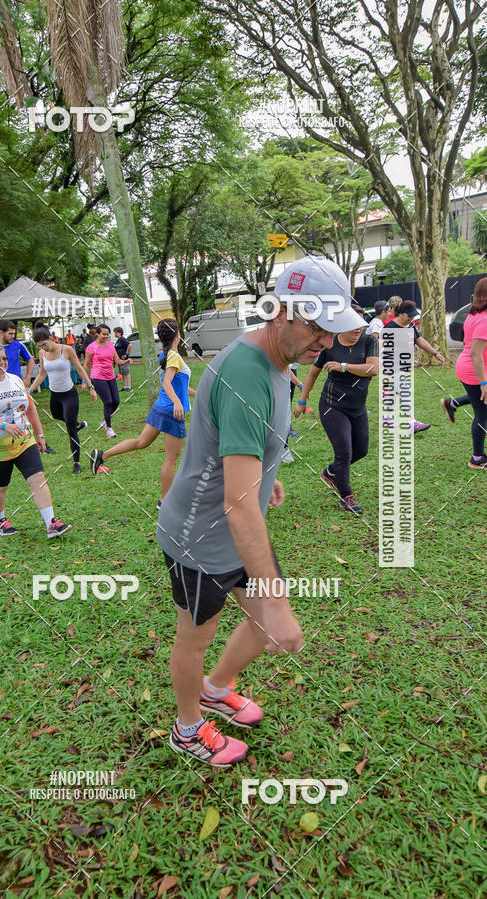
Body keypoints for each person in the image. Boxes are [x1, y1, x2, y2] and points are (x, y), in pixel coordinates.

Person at [157, 255, 366, 767]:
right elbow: (233, 500)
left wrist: (263, 480)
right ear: (283, 312)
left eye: (332, 330)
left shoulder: (277, 360)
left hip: (234, 526)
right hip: (199, 535)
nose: (326, 341)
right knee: (197, 635)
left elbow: (242, 450)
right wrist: (275, 599)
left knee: (267, 625)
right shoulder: (248, 375)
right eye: (318, 327)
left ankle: (216, 689)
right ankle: (186, 730)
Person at [0, 343, 71, 537]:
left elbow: (30, 408)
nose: (2, 363)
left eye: (4, 358)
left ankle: (51, 523)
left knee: (38, 479)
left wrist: (40, 434)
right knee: (1, 487)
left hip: (25, 440)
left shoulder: (15, 380)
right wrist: (3, 426)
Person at [90, 319, 196, 501]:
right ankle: (164, 502)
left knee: (141, 442)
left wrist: (198, 395)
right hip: (171, 412)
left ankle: (102, 454)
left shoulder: (166, 355)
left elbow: (180, 384)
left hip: (161, 408)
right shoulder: (174, 357)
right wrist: (178, 403)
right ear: (177, 334)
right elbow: (167, 383)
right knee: (171, 459)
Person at [295, 305, 379, 514]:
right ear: (341, 325)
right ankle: (346, 497)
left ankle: (331, 472)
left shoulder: (369, 342)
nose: (358, 328)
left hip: (357, 406)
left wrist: (343, 366)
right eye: (353, 324)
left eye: (361, 323)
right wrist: (302, 401)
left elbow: (374, 369)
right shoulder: (330, 344)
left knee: (361, 450)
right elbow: (312, 374)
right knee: (344, 452)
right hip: (332, 405)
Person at [29, 322, 97, 474]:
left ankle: (77, 463)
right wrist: (29, 390)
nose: (43, 348)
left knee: (70, 429)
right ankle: (78, 424)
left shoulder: (66, 350)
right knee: (57, 415)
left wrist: (91, 386)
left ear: (50, 338)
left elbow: (79, 368)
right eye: (40, 346)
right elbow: (42, 374)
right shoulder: (42, 354)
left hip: (69, 394)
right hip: (55, 395)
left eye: (44, 344)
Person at [383, 299, 445, 432]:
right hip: (393, 366)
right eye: (409, 316)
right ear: (402, 313)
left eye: (413, 316)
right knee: (405, 392)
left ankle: (387, 420)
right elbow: (380, 347)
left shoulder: (410, 326)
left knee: (393, 393)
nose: (411, 318)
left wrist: (436, 353)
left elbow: (420, 340)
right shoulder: (389, 328)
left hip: (403, 365)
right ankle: (411, 423)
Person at [454, 277, 487, 468]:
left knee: (481, 410)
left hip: (471, 367)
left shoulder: (474, 314)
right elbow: (476, 353)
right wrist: (484, 384)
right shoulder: (483, 319)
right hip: (474, 370)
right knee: (482, 415)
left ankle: (453, 402)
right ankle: (477, 458)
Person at [84, 325, 125, 438]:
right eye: (104, 334)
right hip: (98, 377)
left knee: (116, 401)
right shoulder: (91, 347)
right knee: (108, 402)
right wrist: (84, 382)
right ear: (97, 334)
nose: (106, 336)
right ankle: (109, 429)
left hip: (110, 376)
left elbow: (116, 360)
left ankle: (104, 421)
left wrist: (126, 360)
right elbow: (86, 365)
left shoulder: (111, 346)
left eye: (107, 334)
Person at [0, 320, 34, 387]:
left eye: (14, 333)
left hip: (16, 385)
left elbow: (30, 360)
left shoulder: (18, 345)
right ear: (1, 332)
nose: (13, 336)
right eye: (10, 334)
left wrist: (28, 378)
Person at [114, 326, 133, 391]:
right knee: (122, 373)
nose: (115, 334)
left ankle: (129, 387)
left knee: (126, 373)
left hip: (124, 359)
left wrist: (127, 354)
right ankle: (125, 387)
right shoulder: (118, 340)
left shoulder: (122, 339)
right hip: (119, 360)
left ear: (120, 333)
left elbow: (130, 345)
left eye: (116, 332)